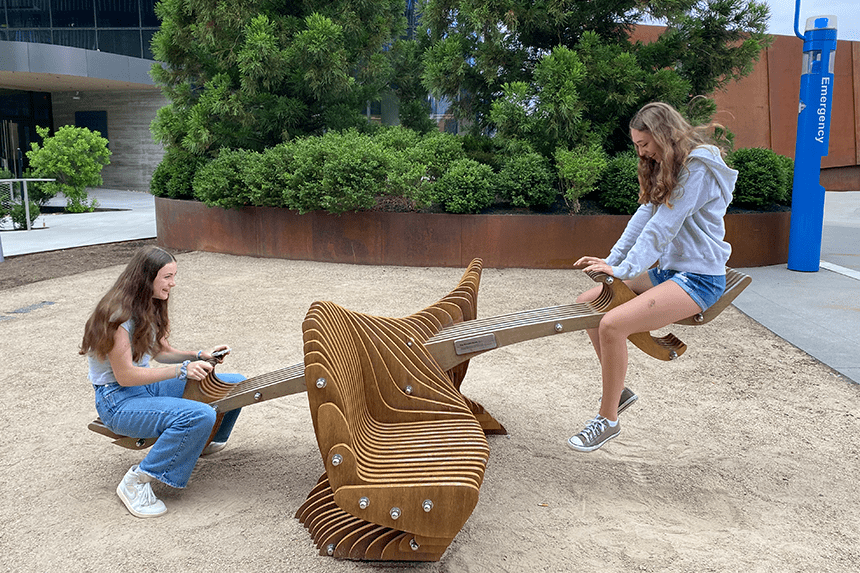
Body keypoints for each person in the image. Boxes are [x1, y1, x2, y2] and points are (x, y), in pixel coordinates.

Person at [568, 102, 737, 453]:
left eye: (644, 144)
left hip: (699, 278)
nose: (641, 151)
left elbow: (662, 229)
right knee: (588, 303)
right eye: (636, 145)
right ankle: (620, 391)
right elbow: (642, 220)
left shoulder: (697, 170)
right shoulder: (667, 166)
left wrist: (624, 271)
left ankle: (608, 420)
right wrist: (612, 261)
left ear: (664, 135)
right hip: (669, 272)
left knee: (612, 325)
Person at [80, 245, 244, 517]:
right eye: (167, 276)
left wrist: (200, 355)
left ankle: (205, 442)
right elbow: (126, 375)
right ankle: (137, 481)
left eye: (174, 275)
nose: (173, 283)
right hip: (117, 400)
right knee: (198, 415)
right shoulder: (116, 316)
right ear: (147, 278)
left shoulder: (146, 305)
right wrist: (183, 370)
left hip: (144, 389)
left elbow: (161, 352)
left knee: (233, 383)